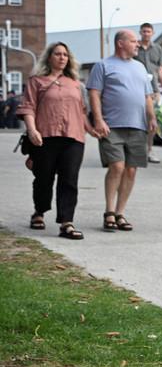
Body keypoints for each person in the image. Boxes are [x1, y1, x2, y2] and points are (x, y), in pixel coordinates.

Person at [18, 42, 96, 239]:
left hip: (73, 137)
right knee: (44, 178)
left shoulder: (76, 84)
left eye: (65, 55)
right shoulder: (37, 81)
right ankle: (39, 211)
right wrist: (32, 129)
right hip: (45, 136)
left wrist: (92, 130)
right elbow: (28, 107)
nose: (62, 57)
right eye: (58, 54)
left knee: (69, 179)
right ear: (49, 57)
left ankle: (66, 222)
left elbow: (82, 111)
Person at [87, 29, 156, 232]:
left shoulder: (140, 67)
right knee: (117, 167)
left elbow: (147, 96)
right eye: (133, 41)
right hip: (111, 125)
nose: (137, 44)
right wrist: (98, 120)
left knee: (131, 170)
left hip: (137, 126)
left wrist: (151, 118)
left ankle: (120, 212)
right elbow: (94, 94)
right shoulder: (103, 66)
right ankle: (109, 211)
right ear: (120, 43)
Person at [133, 22, 162, 164]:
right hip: (136, 89)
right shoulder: (134, 47)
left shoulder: (158, 48)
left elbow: (160, 69)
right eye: (144, 31)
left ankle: (149, 150)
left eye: (149, 31)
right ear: (140, 32)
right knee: (137, 120)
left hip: (153, 89)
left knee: (152, 120)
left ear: (152, 33)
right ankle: (136, 150)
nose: (146, 33)